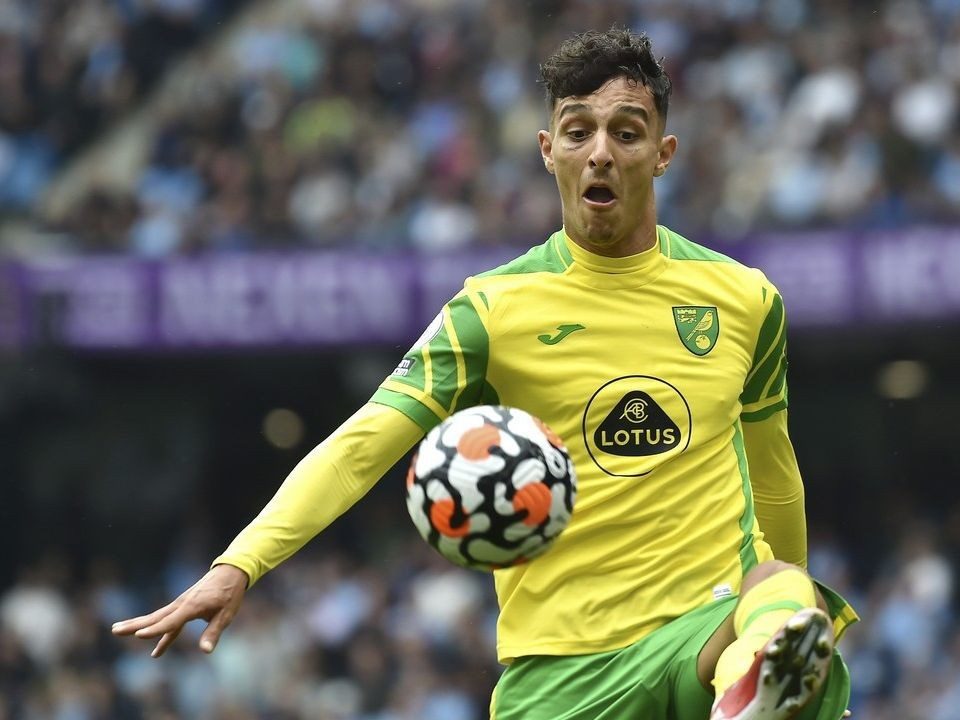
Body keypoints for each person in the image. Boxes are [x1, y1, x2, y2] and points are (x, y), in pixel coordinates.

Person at [112, 28, 857, 720]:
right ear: (548, 150)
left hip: (701, 632)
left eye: (626, 133)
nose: (600, 152)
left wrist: (792, 633)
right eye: (579, 132)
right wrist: (240, 563)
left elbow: (774, 471)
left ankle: (757, 691)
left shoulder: (743, 299)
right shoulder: (491, 311)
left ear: (663, 153)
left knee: (782, 586)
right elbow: (362, 444)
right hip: (559, 673)